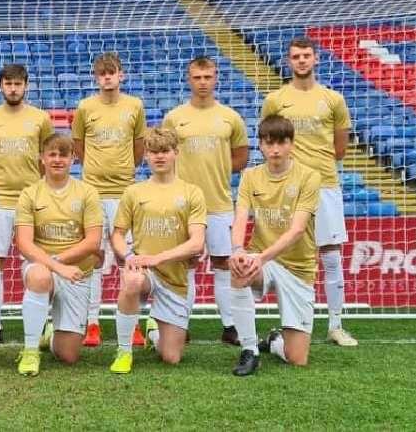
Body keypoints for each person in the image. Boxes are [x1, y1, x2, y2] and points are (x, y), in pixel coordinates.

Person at [261, 37, 356, 347]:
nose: (301, 61)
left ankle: (335, 325)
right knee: (286, 258)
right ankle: (289, 323)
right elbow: (269, 142)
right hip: (287, 187)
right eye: (295, 56)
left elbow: (339, 148)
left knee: (330, 255)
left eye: (306, 56)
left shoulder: (333, 99)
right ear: (288, 62)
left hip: (325, 184)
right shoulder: (276, 99)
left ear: (315, 59)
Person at [163, 56, 248, 345]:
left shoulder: (230, 117)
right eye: (197, 77)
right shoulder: (175, 117)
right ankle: (180, 323)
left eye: (207, 77)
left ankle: (230, 325)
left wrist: (217, 170)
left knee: (224, 263)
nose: (203, 82)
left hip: (220, 204)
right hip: (184, 206)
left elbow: (240, 157)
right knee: (185, 264)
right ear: (189, 79)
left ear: (216, 78)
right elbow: (164, 155)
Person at [228, 115, 321, 376]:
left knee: (297, 358)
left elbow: (297, 229)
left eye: (281, 143)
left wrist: (262, 257)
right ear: (260, 145)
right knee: (238, 269)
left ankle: (274, 341)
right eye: (269, 143)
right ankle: (249, 350)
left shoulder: (309, 177)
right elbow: (240, 218)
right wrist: (238, 250)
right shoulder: (250, 176)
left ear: (292, 144)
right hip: (262, 259)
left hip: (298, 267)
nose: (275, 149)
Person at [109, 127, 206, 374]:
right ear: (147, 155)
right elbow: (117, 234)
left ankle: (153, 332)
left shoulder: (192, 192)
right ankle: (124, 350)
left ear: (176, 152)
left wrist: (157, 258)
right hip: (145, 273)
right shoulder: (134, 192)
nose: (159, 156)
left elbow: (196, 243)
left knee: (171, 357)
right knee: (131, 280)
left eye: (165, 151)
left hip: (175, 278)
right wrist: (129, 256)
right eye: (153, 152)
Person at [71, 52, 145, 347]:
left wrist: (124, 171)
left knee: (130, 259)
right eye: (102, 74)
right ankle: (92, 323)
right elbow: (78, 144)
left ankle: (134, 322)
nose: (107, 78)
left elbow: (139, 146)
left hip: (125, 192)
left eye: (111, 72)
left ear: (121, 75)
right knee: (93, 259)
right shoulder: (85, 107)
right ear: (96, 77)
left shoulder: (134, 106)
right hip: (92, 192)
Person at [0, 64, 54, 346]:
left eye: (18, 83)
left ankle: (42, 322)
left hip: (32, 200)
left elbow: (46, 156)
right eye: (8, 83)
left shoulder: (40, 119)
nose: (13, 88)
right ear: (0, 86)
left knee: (38, 263)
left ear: (26, 86)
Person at [15, 134, 103, 376]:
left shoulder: (87, 193)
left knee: (68, 355)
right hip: (43, 267)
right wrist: (56, 267)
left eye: (63, 155)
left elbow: (93, 241)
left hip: (76, 273)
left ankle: (50, 334)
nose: (57, 159)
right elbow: (24, 243)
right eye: (51, 154)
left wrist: (60, 263)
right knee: (41, 276)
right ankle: (31, 350)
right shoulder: (30, 194)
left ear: (73, 159)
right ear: (41, 158)